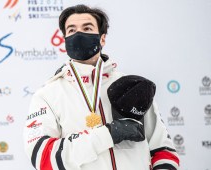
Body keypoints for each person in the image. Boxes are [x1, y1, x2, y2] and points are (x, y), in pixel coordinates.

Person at [23, 4, 179, 170]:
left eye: (87, 28)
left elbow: (163, 150)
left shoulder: (132, 86)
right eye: (71, 30)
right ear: (64, 40)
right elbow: (43, 157)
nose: (79, 34)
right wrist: (106, 135)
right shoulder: (48, 94)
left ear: (102, 38)